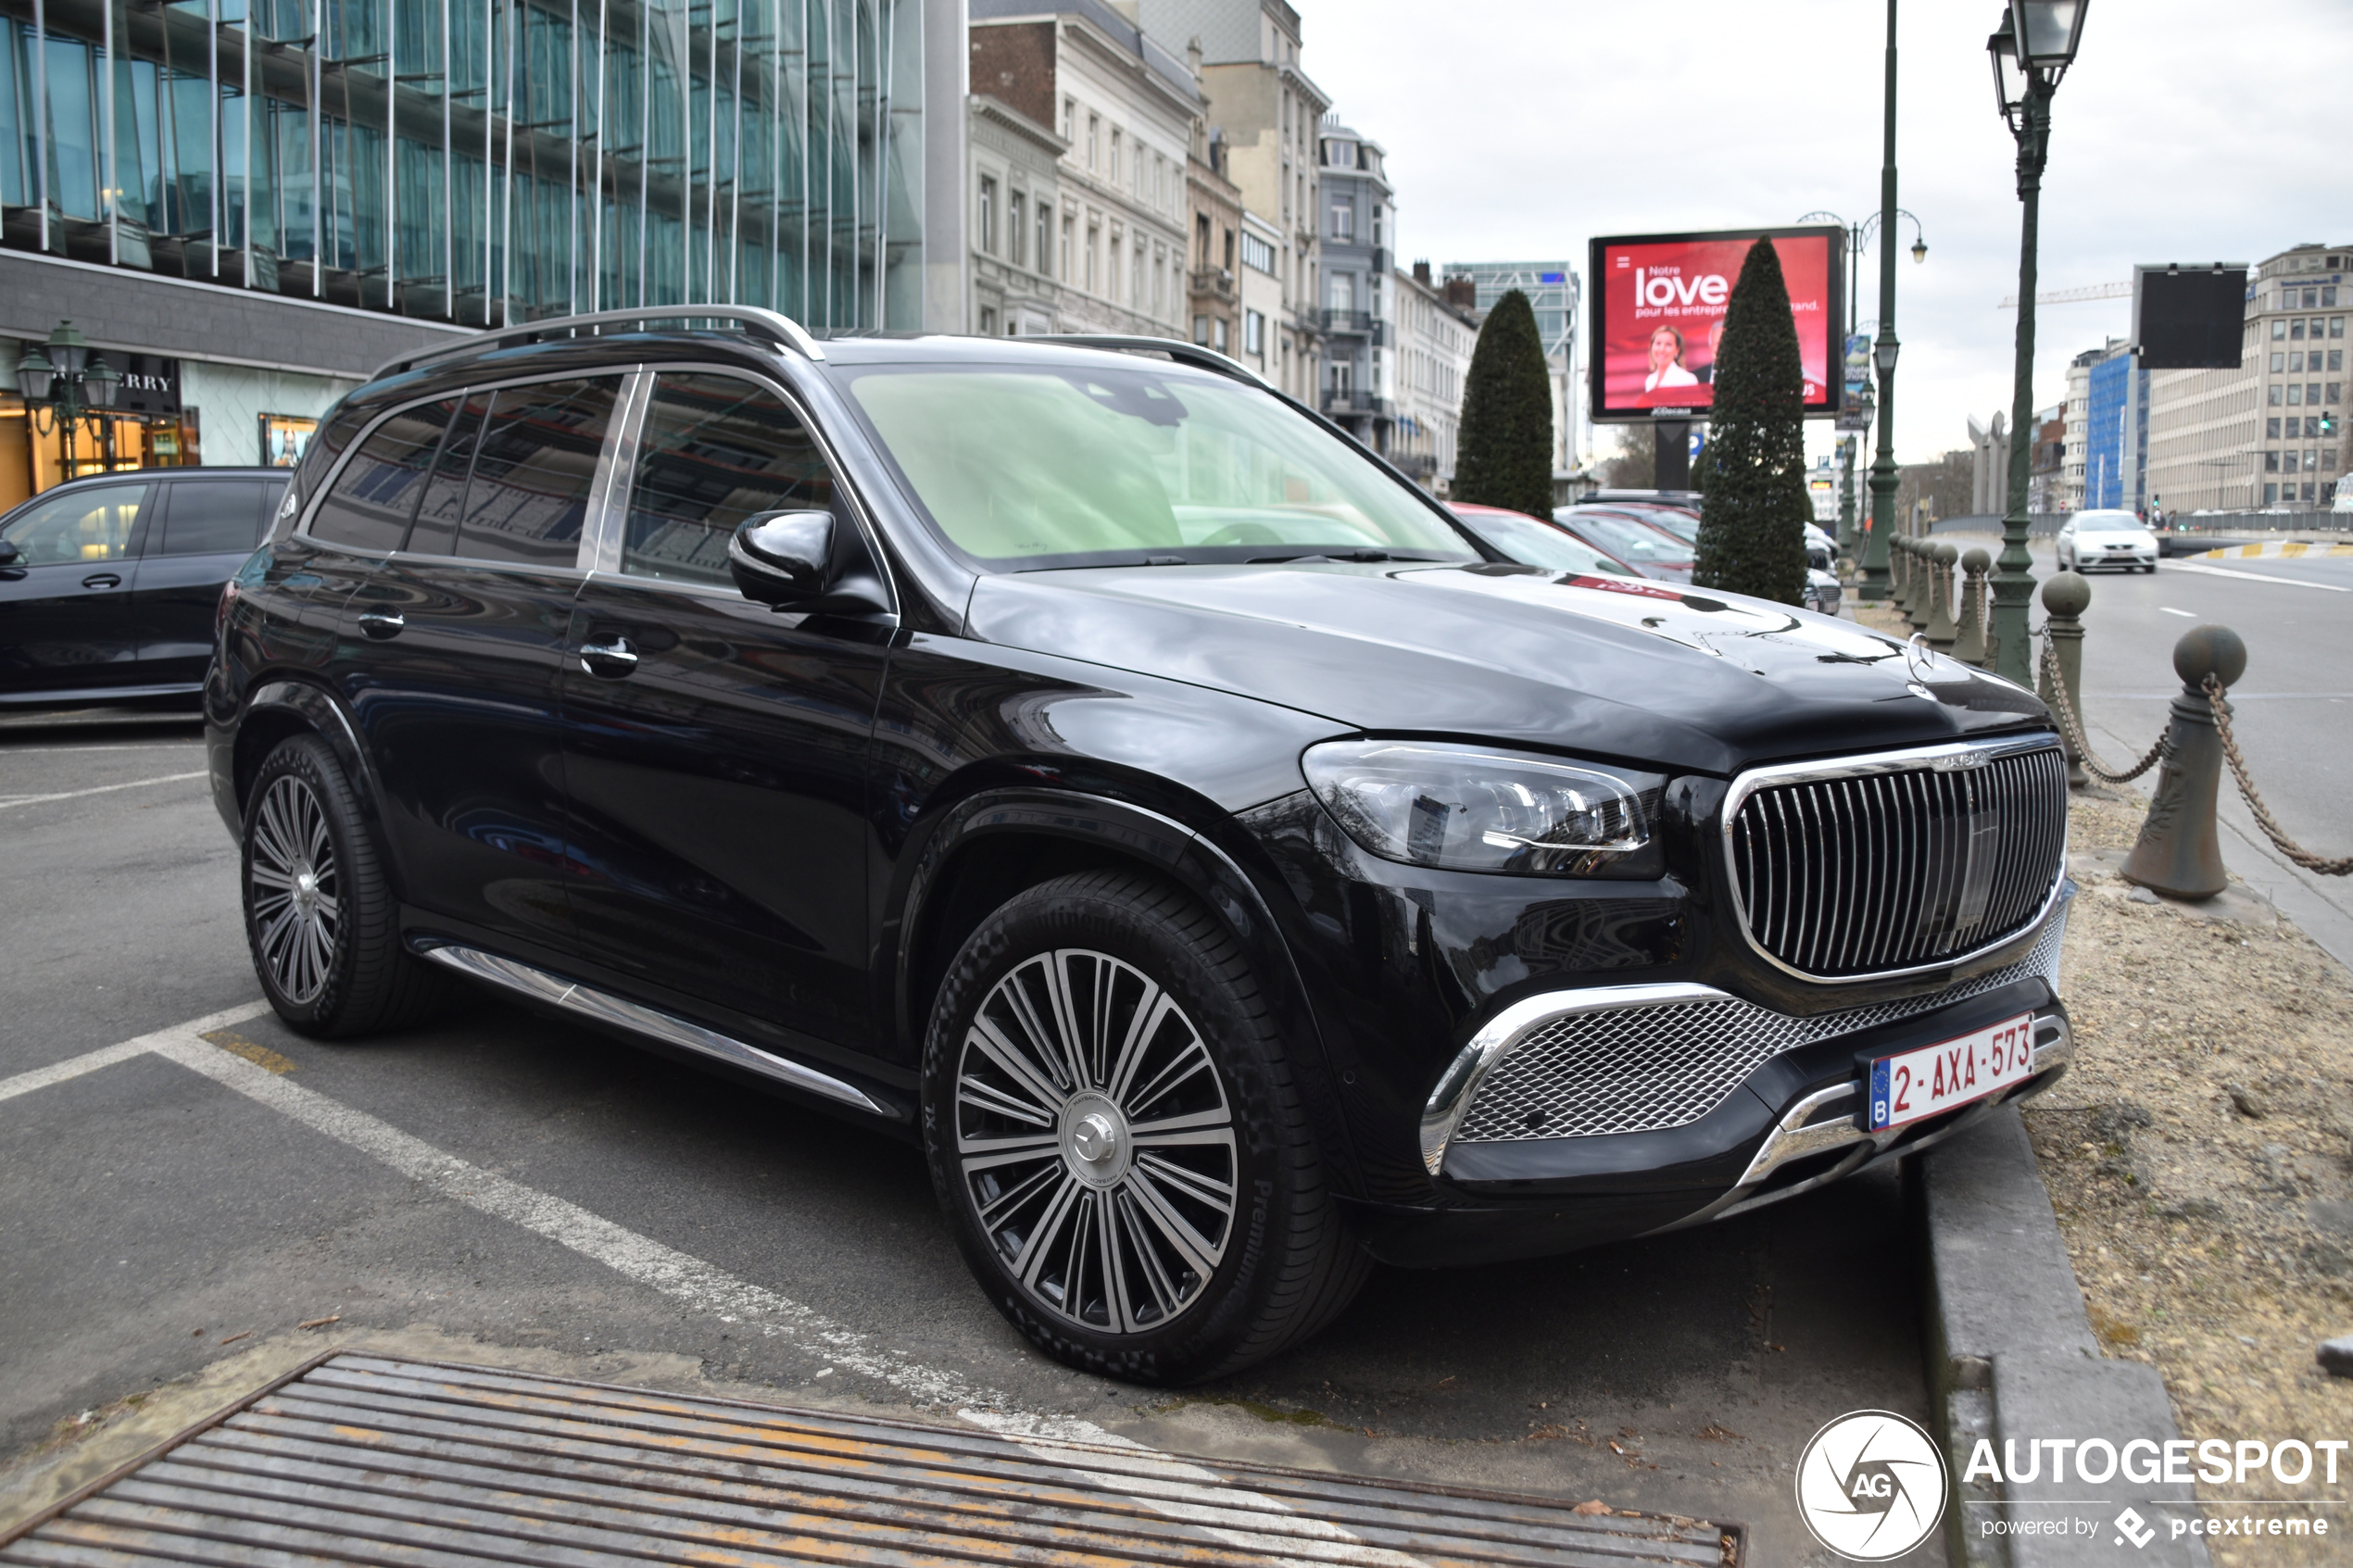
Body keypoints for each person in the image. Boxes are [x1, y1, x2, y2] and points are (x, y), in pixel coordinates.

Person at [1643, 325, 1699, 393]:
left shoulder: (1687, 379)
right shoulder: (1650, 380)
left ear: (1677, 350)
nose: (1662, 349)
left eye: (1668, 344)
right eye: (1658, 343)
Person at [1694, 320, 1728, 385]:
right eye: (1716, 343)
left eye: (1724, 343)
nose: (1720, 348)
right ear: (1710, 347)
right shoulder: (1696, 376)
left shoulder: (1742, 374)